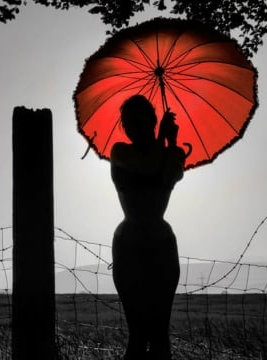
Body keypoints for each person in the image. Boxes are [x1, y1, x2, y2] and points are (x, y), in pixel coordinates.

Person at [110, 94, 185, 360]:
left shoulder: (173, 153)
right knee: (138, 333)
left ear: (152, 121)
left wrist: (170, 143)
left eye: (138, 122)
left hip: (160, 245)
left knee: (159, 334)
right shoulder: (119, 152)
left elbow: (168, 176)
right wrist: (163, 142)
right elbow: (148, 168)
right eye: (127, 123)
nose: (132, 128)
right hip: (130, 245)